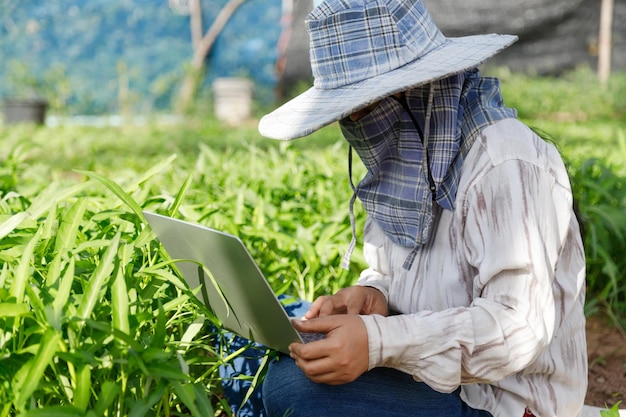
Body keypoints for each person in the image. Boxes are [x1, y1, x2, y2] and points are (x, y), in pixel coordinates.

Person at [222, 0, 588, 416]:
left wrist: (378, 342)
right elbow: (401, 270)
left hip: (503, 399)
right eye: (347, 113)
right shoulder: (406, 157)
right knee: (269, 345)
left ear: (417, 89)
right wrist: (373, 294)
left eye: (364, 106)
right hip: (430, 378)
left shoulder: (504, 161)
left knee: (295, 389)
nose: (355, 124)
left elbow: (516, 330)